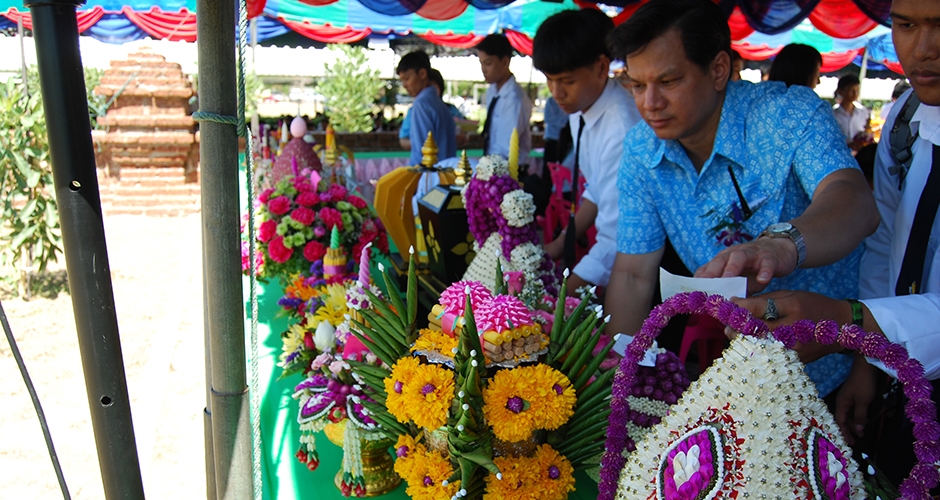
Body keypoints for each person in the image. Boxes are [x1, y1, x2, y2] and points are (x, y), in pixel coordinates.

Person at [605, 0, 879, 398]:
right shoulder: (642, 148)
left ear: (718, 70)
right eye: (636, 84)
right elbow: (633, 273)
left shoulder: (788, 114)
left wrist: (782, 244)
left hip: (832, 361)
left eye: (668, 82)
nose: (650, 103)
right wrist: (617, 383)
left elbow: (854, 200)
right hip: (739, 377)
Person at [730, 0, 940, 486]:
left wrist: (846, 322)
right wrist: (868, 357)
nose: (924, 49)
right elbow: (886, 242)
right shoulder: (906, 117)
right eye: (906, 25)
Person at [533, 9, 643, 290]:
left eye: (567, 81)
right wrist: (559, 244)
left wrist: (559, 297)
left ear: (601, 67)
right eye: (550, 79)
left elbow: (615, 239)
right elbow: (596, 189)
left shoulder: (621, 128)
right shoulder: (580, 109)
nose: (556, 92)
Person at [476, 34, 533, 165]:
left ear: (505, 62)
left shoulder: (514, 98)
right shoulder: (492, 91)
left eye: (488, 63)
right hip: (492, 166)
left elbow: (505, 149)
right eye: (481, 63)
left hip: (509, 171)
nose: (484, 70)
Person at [396, 52, 456, 165]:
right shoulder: (440, 104)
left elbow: (422, 154)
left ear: (422, 74)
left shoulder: (421, 104)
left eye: (407, 78)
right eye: (402, 80)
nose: (404, 85)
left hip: (429, 178)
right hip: (445, 174)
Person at [833, 74, 873, 152]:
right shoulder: (833, 114)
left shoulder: (863, 112)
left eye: (857, 90)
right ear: (841, 91)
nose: (855, 93)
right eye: (851, 90)